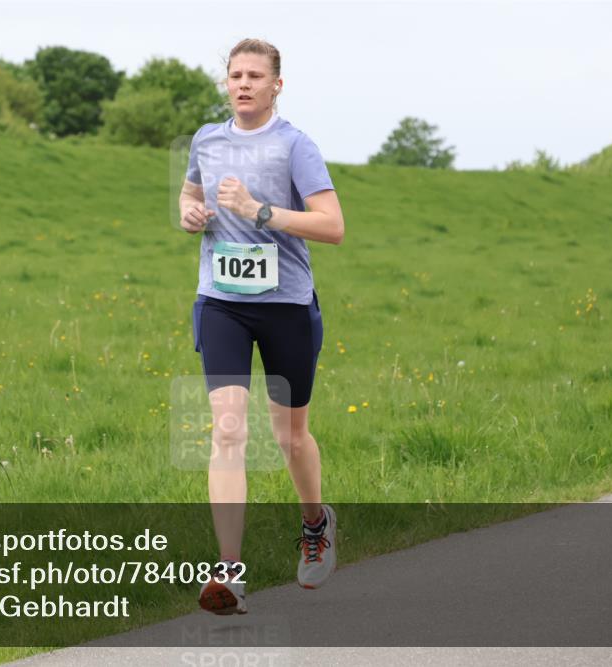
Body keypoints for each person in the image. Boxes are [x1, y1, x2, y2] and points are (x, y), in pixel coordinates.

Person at [178, 38, 345, 615]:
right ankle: (229, 572)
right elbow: (190, 194)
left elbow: (333, 226)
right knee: (228, 430)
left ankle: (315, 522)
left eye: (255, 75)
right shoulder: (207, 139)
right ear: (226, 83)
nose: (243, 83)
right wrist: (190, 214)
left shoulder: (296, 145)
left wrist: (259, 211)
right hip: (221, 301)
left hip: (286, 305)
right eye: (235, 75)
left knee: (289, 437)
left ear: (277, 85)